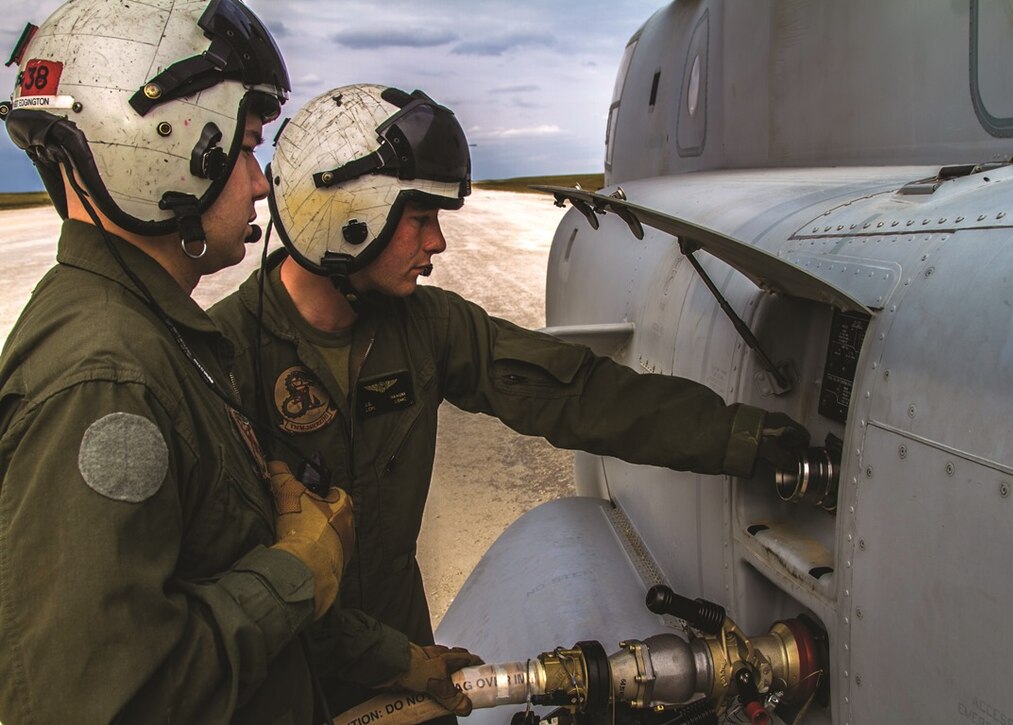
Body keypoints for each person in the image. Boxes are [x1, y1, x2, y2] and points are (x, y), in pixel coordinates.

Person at [208, 83, 811, 717]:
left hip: (406, 662)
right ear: (346, 213)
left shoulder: (425, 327)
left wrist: (744, 438)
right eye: (419, 218)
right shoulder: (224, 361)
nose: (437, 243)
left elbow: (575, 393)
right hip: (286, 679)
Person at [0, 1, 354, 722]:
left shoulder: (147, 335)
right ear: (165, 145)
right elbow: (104, 700)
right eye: (247, 146)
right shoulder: (105, 379)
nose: (259, 182)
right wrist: (294, 572)